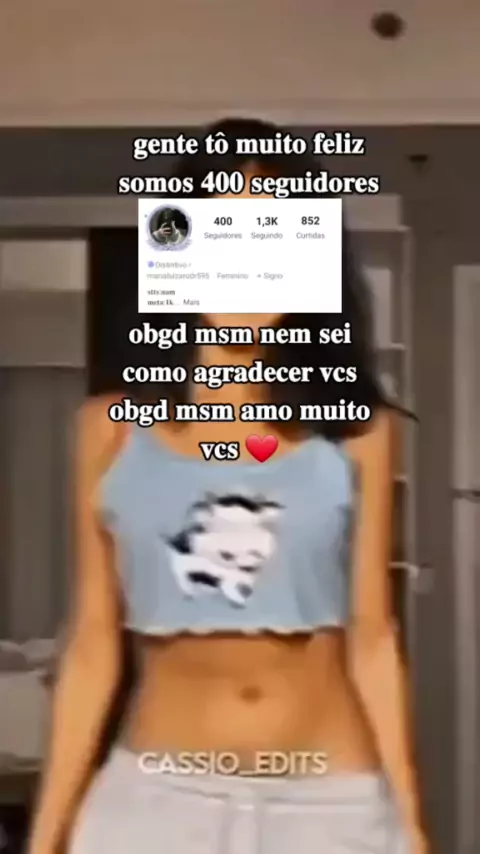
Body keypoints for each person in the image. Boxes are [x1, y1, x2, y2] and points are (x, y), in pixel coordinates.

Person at [27, 118, 428, 854]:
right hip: (153, 805)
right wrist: (46, 836)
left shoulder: (359, 431)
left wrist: (412, 826)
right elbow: (92, 644)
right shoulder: (109, 428)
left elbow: (373, 639)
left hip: (330, 804)